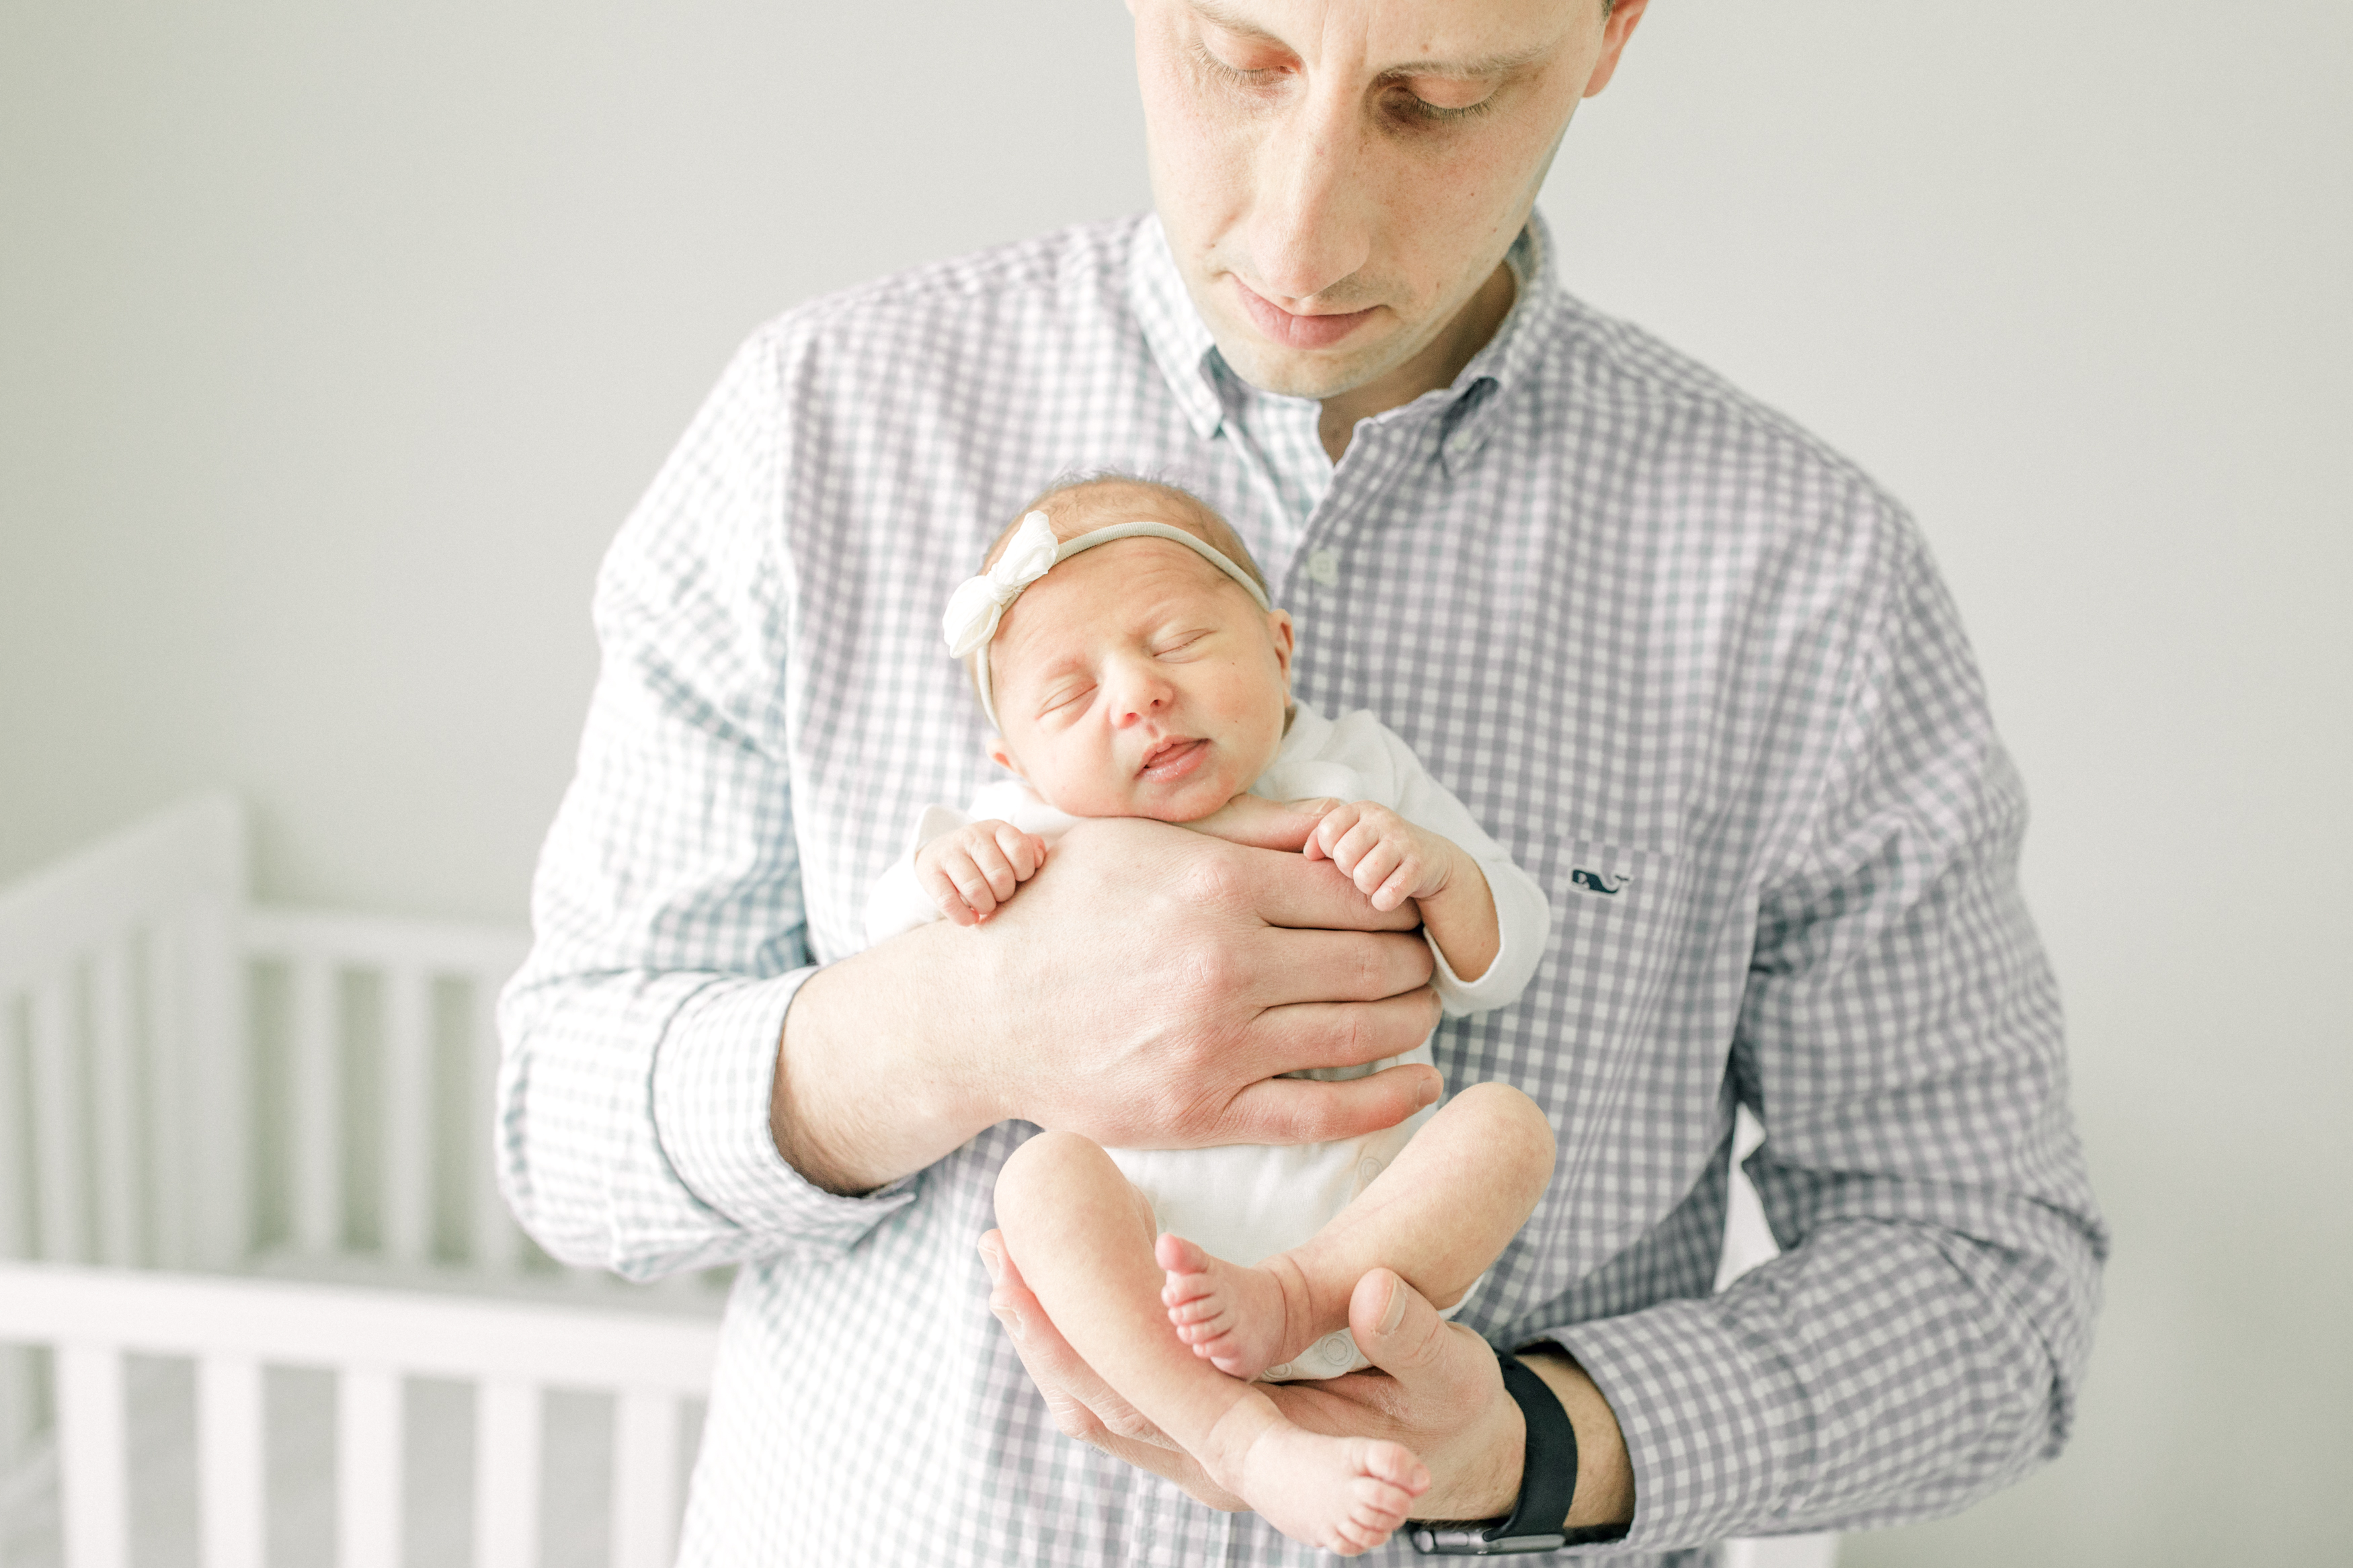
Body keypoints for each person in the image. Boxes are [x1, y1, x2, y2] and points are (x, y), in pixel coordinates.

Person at [497, 0, 2107, 1561]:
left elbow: (1993, 1293)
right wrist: (956, 1026)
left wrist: (1527, 1447)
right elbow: (560, 1138)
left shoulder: (1809, 580)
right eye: (1238, 58)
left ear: (1612, 27)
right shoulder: (820, 420)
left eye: (1438, 98)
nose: (1300, 235)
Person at [866, 478, 1558, 1555]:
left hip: (1372, 1255)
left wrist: (1437, 871)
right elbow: (888, 946)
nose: (1139, 696)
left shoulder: (1359, 767)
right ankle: (1240, 1440)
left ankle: (1294, 1294)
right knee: (1038, 1183)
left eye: (1178, 642)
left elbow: (1506, 955)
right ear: (1016, 762)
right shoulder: (1030, 823)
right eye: (1069, 695)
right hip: (1151, 1268)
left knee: (1507, 1127)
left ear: (1280, 649)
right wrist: (947, 867)